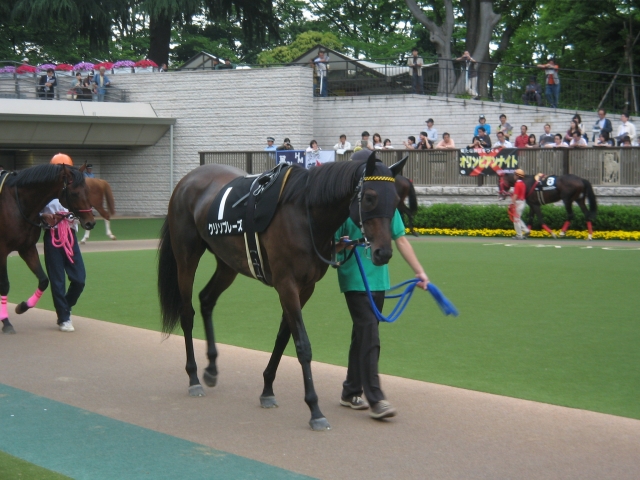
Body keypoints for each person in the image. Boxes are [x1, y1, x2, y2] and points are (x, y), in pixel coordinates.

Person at [335, 197, 429, 419]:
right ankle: (376, 398)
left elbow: (401, 240)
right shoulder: (345, 209)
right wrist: (342, 244)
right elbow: (331, 247)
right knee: (370, 334)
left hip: (379, 282)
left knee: (362, 335)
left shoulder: (387, 209)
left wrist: (419, 272)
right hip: (355, 280)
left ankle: (350, 391)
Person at [41, 153, 86, 332]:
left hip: (70, 237)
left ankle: (65, 305)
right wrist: (43, 216)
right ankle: (64, 317)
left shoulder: (74, 190)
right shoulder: (44, 191)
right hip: (52, 238)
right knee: (57, 280)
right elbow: (35, 212)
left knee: (79, 279)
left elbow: (82, 209)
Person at [511, 169, 530, 240]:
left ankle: (519, 235)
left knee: (516, 219)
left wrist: (512, 203)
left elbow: (515, 195)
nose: (514, 176)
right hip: (523, 202)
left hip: (518, 202)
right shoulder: (523, 183)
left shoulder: (517, 184)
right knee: (518, 218)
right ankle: (526, 230)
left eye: (515, 174)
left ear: (517, 176)